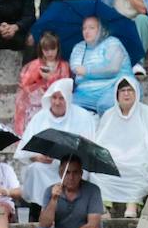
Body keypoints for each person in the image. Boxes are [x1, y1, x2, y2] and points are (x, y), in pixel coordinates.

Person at [93, 76, 148, 218]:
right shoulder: (109, 115)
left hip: (140, 155)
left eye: (130, 90)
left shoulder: (147, 113)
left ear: (136, 93)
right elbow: (101, 142)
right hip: (115, 157)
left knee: (138, 166)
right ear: (116, 95)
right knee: (98, 172)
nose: (126, 94)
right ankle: (104, 208)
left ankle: (132, 204)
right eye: (123, 90)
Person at [16, 78, 96, 219]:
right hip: (46, 166)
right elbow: (24, 150)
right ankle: (40, 210)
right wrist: (38, 157)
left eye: (61, 98)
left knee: (76, 174)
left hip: (72, 166)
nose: (57, 102)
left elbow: (89, 147)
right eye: (54, 97)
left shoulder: (82, 117)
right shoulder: (40, 118)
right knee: (35, 169)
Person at [68, 15, 132, 113]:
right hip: (84, 93)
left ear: (101, 29)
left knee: (105, 105)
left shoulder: (112, 43)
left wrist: (87, 71)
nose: (87, 31)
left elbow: (112, 69)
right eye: (84, 28)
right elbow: (76, 69)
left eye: (91, 28)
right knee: (68, 106)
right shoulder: (79, 47)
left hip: (112, 87)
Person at [13, 32, 70, 136]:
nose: (49, 53)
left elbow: (65, 84)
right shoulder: (36, 64)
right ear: (41, 50)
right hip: (38, 95)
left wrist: (50, 78)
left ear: (58, 49)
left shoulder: (64, 65)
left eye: (52, 49)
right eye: (46, 50)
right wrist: (38, 77)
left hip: (56, 95)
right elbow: (25, 82)